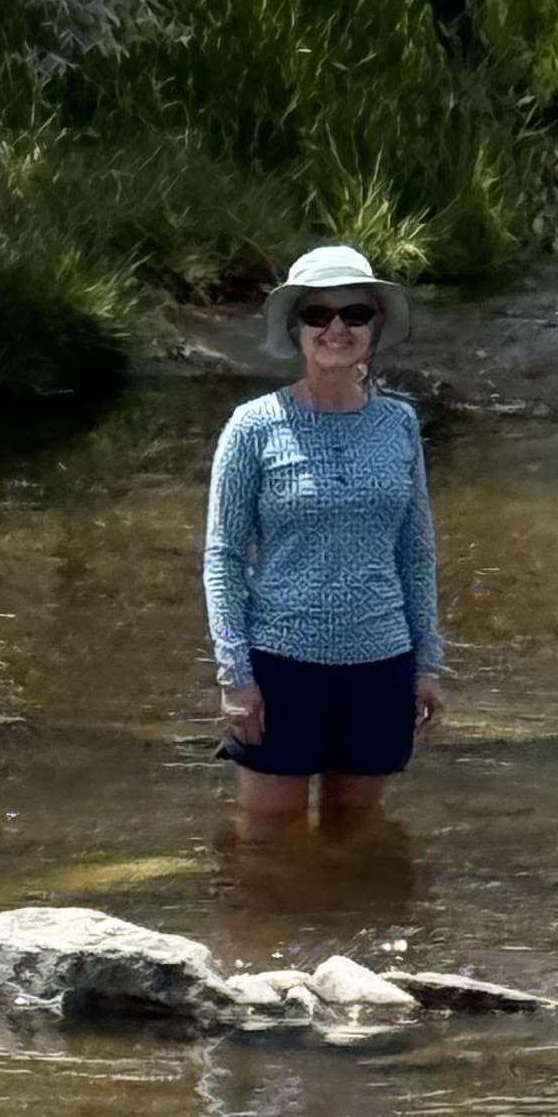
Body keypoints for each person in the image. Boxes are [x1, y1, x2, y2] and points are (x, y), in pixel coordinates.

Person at [204, 241, 444, 832]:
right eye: (318, 315)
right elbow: (224, 557)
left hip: (382, 665)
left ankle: (356, 931)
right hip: (281, 665)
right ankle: (262, 933)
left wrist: (427, 663)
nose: (336, 328)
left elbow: (415, 549)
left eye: (354, 315)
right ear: (296, 329)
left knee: (356, 842)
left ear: (374, 327)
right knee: (268, 844)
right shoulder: (253, 426)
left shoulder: (399, 422)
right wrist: (236, 677)